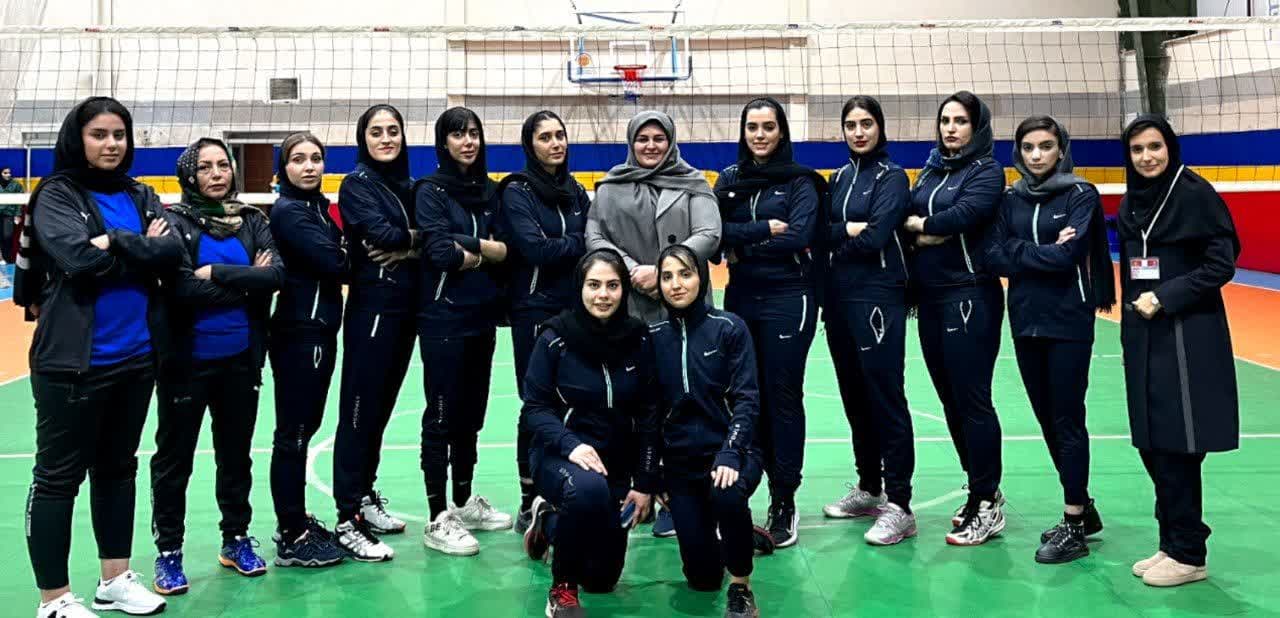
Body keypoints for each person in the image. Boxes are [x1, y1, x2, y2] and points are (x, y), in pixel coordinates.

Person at [22, 96, 178, 618]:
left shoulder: (139, 192)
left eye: (119, 134)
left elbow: (171, 251)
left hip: (136, 358)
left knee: (117, 470)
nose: (111, 144)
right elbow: (77, 259)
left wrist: (111, 241)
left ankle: (114, 580)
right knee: (58, 479)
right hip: (72, 363)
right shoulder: (56, 193)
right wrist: (134, 247)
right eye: (99, 134)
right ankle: (54, 600)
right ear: (78, 138)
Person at [150, 137, 285, 593]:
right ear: (189, 174)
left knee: (236, 457)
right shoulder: (173, 221)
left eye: (222, 165)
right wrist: (249, 282)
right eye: (205, 166)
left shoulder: (252, 220)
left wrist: (221, 275)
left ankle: (236, 539)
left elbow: (275, 275)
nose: (216, 173)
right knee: (174, 462)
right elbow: (182, 289)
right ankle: (169, 552)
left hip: (240, 361)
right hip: (186, 364)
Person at [1116, 115, 1240, 587]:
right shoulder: (1132, 202)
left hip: (1187, 333)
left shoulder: (1195, 194)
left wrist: (1167, 297)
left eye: (1155, 147)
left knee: (1179, 444)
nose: (1147, 157)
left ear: (1170, 147)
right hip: (1143, 332)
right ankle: (1171, 540)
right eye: (1137, 150)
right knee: (1150, 440)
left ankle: (1190, 552)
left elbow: (1220, 264)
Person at [985, 115, 1115, 564]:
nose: (1037, 155)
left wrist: (1023, 251)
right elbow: (994, 255)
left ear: (1061, 149)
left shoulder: (1081, 194)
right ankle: (1085, 508)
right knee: (1046, 419)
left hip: (1068, 322)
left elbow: (1069, 256)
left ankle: (1074, 522)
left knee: (1067, 420)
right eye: (1028, 147)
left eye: (1045, 146)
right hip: (1025, 321)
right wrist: (1042, 251)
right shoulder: (1010, 198)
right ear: (1018, 153)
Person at [585, 109, 720, 536]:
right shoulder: (611, 185)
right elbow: (595, 237)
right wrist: (631, 272)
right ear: (631, 142)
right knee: (637, 402)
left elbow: (709, 233)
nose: (650, 146)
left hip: (682, 304)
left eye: (658, 138)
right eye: (642, 138)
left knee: (685, 399)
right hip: (631, 308)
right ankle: (639, 487)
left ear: (671, 141)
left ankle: (681, 497)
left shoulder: (693, 182)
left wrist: (663, 271)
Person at [519, 248, 660, 617]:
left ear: (623, 290)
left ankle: (548, 522)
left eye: (612, 286)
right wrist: (571, 445)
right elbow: (534, 408)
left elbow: (649, 413)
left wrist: (645, 482)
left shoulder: (638, 338)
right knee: (587, 490)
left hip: (614, 463)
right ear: (579, 287)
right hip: (559, 455)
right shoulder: (555, 338)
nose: (603, 295)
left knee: (601, 579)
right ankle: (562, 590)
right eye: (593, 285)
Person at [714, 97, 825, 548]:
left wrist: (741, 243)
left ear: (782, 132)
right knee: (743, 397)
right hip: (741, 296)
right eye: (752, 127)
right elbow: (715, 235)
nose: (760, 135)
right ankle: (740, 492)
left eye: (768, 127)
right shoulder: (729, 179)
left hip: (789, 296)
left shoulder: (801, 181)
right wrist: (762, 230)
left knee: (782, 396)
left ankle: (784, 498)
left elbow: (800, 236)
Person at [902, 91, 1007, 546]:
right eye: (945, 120)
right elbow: (906, 213)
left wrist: (924, 226)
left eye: (960, 121)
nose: (950, 128)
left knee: (972, 400)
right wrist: (927, 228)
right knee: (950, 400)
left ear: (976, 126)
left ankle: (987, 502)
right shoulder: (931, 169)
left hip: (969, 295)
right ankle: (980, 489)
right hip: (930, 297)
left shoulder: (987, 170)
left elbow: (965, 214)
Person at [818, 95, 917, 546]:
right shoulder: (838, 177)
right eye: (851, 124)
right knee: (854, 396)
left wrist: (840, 243)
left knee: (884, 395)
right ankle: (869, 486)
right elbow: (819, 232)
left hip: (878, 296)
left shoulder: (892, 176)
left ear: (880, 127)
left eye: (866, 123)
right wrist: (845, 231)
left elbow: (877, 236)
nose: (858, 132)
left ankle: (900, 503)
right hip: (839, 300)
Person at [415, 106, 513, 555]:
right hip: (443, 318)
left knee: (471, 415)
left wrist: (472, 246)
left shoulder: (491, 191)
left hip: (481, 316)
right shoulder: (430, 190)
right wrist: (483, 249)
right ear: (444, 142)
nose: (468, 141)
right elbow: (438, 251)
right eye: (458, 134)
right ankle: (438, 515)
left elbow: (508, 250)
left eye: (474, 133)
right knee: (441, 417)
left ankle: (463, 499)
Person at [651, 243, 765, 617]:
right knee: (702, 579)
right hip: (682, 463)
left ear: (701, 277)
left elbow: (747, 399)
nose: (676, 284)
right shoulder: (653, 337)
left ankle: (741, 585)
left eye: (685, 274)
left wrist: (731, 452)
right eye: (667, 276)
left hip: (733, 451)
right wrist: (653, 474)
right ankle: (738, 534)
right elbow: (649, 413)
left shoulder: (729, 328)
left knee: (727, 493)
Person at [331, 104, 422, 561]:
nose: (386, 139)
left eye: (393, 131)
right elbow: (381, 235)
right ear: (362, 138)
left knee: (380, 412)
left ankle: (365, 496)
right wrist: (416, 239)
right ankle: (347, 516)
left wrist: (412, 245)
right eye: (376, 132)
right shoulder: (356, 185)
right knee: (358, 412)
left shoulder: (410, 184)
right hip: (371, 311)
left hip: (406, 311)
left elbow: (432, 233)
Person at [497, 110, 591, 533]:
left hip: (576, 310)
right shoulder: (516, 190)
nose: (555, 144)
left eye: (560, 135)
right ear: (530, 145)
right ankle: (528, 496)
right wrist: (576, 243)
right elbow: (534, 249)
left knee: (574, 399)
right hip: (534, 310)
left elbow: (591, 242)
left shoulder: (576, 189)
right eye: (545, 137)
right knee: (537, 404)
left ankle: (565, 487)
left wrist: (567, 244)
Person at [266, 131, 348, 568]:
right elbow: (336, 262)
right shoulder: (290, 211)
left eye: (316, 158)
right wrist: (348, 251)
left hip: (320, 331)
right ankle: (292, 534)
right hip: (300, 334)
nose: (309, 166)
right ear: (284, 169)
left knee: (304, 429)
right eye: (298, 159)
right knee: (293, 434)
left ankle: (295, 521)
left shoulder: (317, 208)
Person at [0, 166, 23, 263]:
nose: (8, 175)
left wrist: (17, 214)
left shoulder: (16, 185)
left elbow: (20, 202)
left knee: (7, 237)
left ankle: (8, 259)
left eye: (9, 173)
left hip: (9, 215)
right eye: (5, 173)